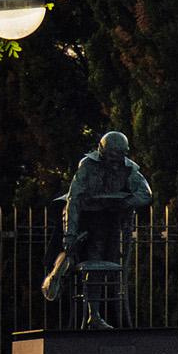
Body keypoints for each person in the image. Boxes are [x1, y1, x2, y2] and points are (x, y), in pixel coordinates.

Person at [41, 131, 153, 316]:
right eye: (111, 157)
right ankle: (64, 278)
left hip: (109, 219)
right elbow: (74, 200)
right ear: (102, 151)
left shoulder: (129, 169)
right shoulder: (88, 166)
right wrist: (70, 233)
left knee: (107, 260)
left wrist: (123, 202)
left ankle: (102, 314)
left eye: (119, 158)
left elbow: (145, 194)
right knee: (79, 252)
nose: (115, 163)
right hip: (82, 216)